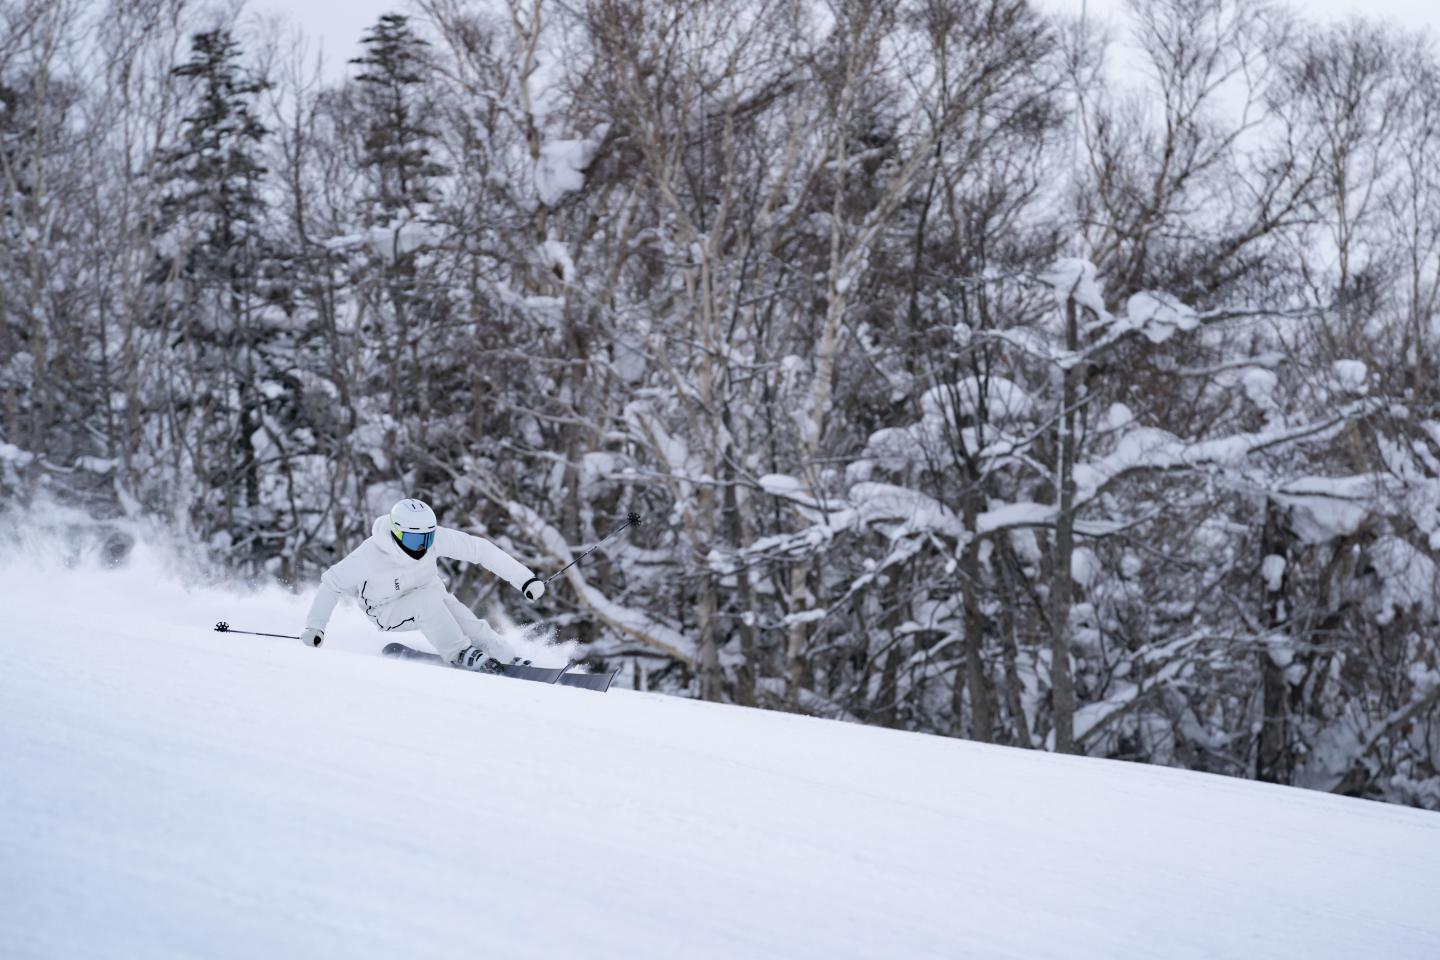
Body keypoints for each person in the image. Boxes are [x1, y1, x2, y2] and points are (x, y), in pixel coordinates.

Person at [299, 498, 546, 670]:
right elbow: (332, 582)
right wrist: (315, 628)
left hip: (430, 593)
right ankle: (459, 653)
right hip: (386, 609)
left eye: (426, 538)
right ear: (396, 532)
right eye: (413, 539)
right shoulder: (371, 553)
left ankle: (503, 655)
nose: (421, 546)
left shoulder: (434, 539)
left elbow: (479, 550)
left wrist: (525, 579)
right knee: (428, 603)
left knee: (466, 620)